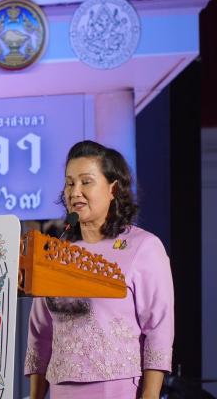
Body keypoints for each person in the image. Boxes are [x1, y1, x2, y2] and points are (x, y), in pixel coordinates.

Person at [24, 140, 174, 399]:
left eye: (86, 182)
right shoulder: (55, 251)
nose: (75, 192)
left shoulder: (143, 247)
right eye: (69, 183)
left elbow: (158, 328)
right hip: (62, 390)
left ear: (113, 189)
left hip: (118, 389)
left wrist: (150, 396)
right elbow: (40, 334)